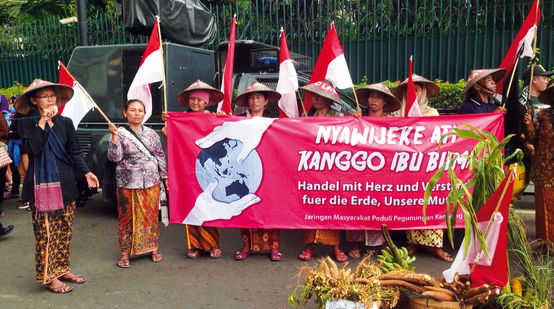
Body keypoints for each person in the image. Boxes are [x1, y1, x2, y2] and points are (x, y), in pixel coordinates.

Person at [16, 79, 99, 293]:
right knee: (46, 235)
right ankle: (49, 276)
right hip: (40, 189)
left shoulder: (65, 122)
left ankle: (62, 269)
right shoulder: (26, 123)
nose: (51, 98)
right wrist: (43, 122)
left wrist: (87, 172)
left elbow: (74, 152)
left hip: (66, 185)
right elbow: (32, 148)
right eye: (45, 95)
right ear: (34, 100)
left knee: (64, 232)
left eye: (53, 94)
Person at [391, 75, 454, 262]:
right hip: (407, 167)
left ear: (423, 92)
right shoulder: (396, 115)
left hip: (428, 167)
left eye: (416, 90)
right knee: (413, 204)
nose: (413, 94)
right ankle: (413, 242)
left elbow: (438, 139)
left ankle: (436, 246)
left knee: (432, 203)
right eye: (410, 91)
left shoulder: (432, 113)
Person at [166, 80, 225, 259]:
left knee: (211, 203)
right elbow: (170, 138)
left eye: (200, 100)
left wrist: (225, 118)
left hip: (210, 168)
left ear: (206, 102)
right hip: (188, 169)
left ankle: (213, 244)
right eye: (192, 99)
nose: (195, 103)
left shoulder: (214, 118)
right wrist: (168, 123)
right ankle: (195, 245)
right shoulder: (180, 120)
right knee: (191, 204)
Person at [107, 99, 168, 268]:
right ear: (125, 113)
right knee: (126, 218)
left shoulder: (151, 134)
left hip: (151, 181)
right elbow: (114, 157)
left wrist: (165, 177)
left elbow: (160, 156)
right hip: (128, 182)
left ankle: (152, 248)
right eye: (133, 110)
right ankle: (125, 253)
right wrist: (113, 136)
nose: (137, 113)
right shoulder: (119, 133)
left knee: (150, 216)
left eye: (140, 110)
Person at [344, 82, 400, 258]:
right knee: (357, 205)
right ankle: (355, 243)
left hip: (383, 171)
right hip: (360, 169)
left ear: (384, 101)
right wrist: (354, 121)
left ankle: (382, 243)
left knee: (382, 207)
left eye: (377, 97)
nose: (373, 100)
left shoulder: (392, 121)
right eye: (371, 96)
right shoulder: (359, 118)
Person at [233, 81, 284, 261]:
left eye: (258, 98)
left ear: (266, 101)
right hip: (246, 170)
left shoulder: (275, 124)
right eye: (251, 98)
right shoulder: (238, 122)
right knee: (247, 208)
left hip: (269, 170)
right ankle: (246, 246)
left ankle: (274, 247)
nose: (254, 101)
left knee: (270, 208)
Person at [298, 80, 348, 262]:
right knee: (310, 206)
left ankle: (336, 247)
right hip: (310, 171)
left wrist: (358, 119)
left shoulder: (340, 118)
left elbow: (350, 136)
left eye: (320, 96)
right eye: (314, 95)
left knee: (333, 207)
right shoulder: (306, 117)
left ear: (328, 99)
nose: (316, 99)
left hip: (332, 171)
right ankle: (308, 246)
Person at [523, 81, 554, 248]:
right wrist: (528, 125)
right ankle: (546, 244)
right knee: (543, 209)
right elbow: (531, 138)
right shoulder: (543, 115)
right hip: (544, 169)